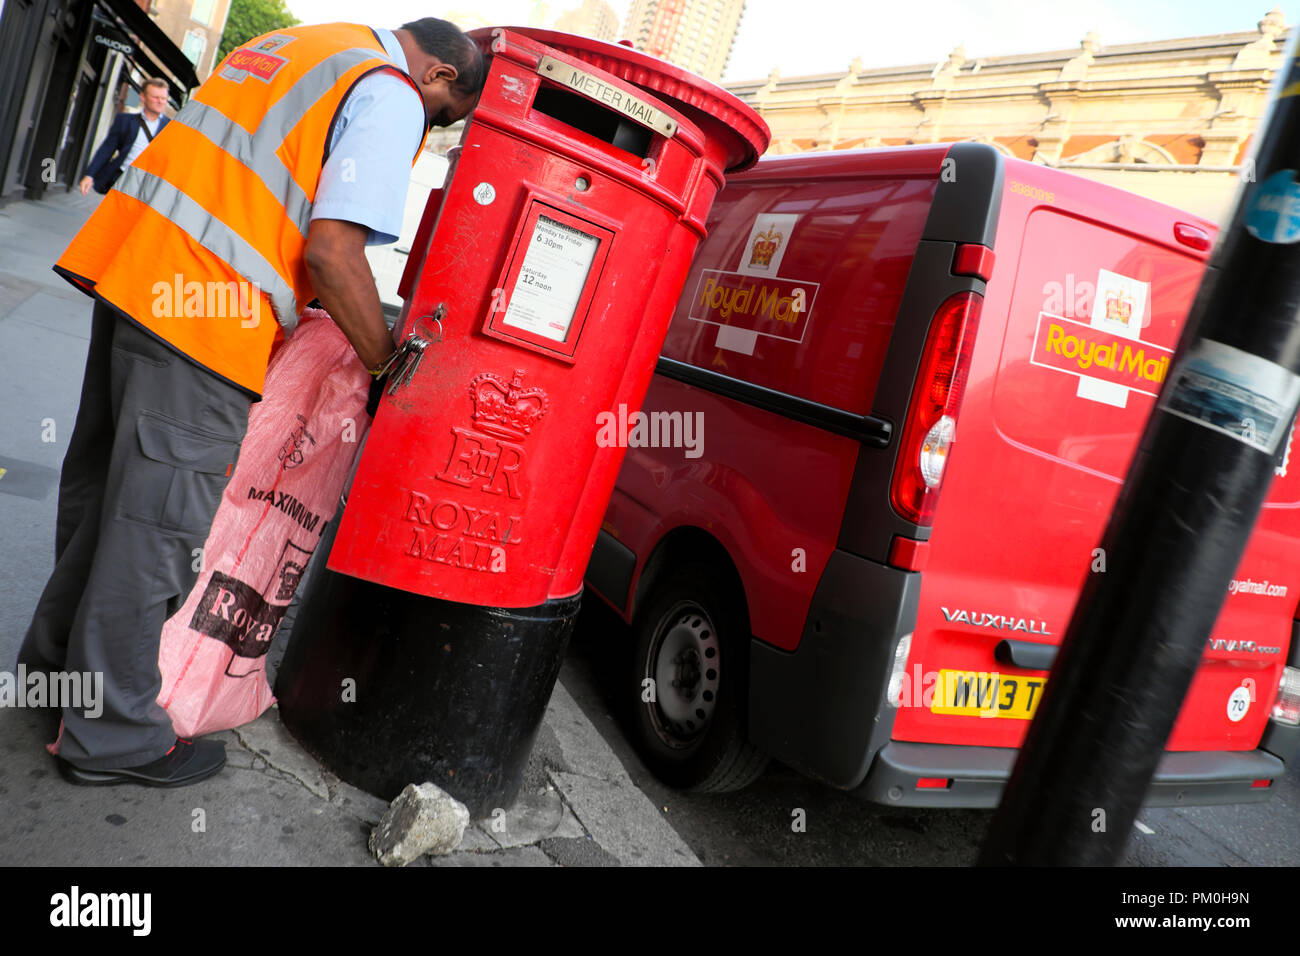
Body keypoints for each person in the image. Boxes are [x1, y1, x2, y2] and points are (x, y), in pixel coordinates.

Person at [17, 18, 486, 788]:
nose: (428, 134)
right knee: (157, 529)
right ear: (437, 77)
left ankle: (52, 677)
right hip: (205, 315)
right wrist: (384, 359)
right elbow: (332, 249)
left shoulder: (306, 43)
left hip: (136, 274)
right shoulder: (391, 91)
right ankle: (113, 735)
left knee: (102, 496)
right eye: (443, 121)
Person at [79, 78, 171, 196]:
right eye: (155, 97)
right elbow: (107, 149)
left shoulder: (172, 128)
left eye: (163, 98)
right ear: (143, 97)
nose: (160, 101)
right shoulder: (125, 120)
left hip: (149, 187)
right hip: (121, 179)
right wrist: (90, 175)